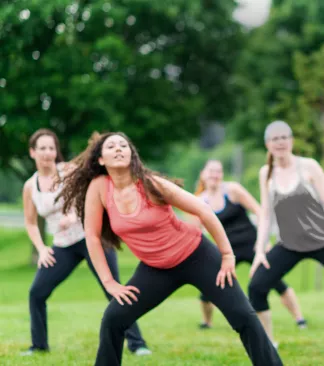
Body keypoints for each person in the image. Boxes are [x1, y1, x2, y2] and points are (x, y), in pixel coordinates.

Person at [57, 132, 282, 366]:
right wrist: (109, 282)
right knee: (114, 318)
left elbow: (203, 211)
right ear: (101, 159)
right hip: (156, 269)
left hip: (197, 256)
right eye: (111, 146)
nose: (118, 148)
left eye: (124, 145)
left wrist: (227, 255)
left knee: (243, 316)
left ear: (131, 154)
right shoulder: (100, 187)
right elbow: (92, 237)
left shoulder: (152, 184)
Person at [20, 129, 150, 357]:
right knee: (37, 293)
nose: (48, 153)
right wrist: (41, 249)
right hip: (63, 246)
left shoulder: (68, 170)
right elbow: (31, 223)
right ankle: (39, 346)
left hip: (91, 237)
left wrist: (74, 215)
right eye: (42, 148)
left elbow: (91, 191)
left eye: (52, 148)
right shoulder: (30, 186)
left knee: (114, 289)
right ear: (32, 152)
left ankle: (137, 344)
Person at [247, 120, 324, 347]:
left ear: (291, 140)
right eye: (275, 138)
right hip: (288, 245)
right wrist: (259, 251)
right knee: (257, 286)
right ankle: (267, 342)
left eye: (284, 137)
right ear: (267, 144)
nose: (280, 142)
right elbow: (265, 215)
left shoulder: (309, 167)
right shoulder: (266, 173)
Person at [192, 159, 306, 330]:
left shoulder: (232, 190)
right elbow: (197, 231)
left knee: (276, 282)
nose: (214, 175)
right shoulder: (199, 200)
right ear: (203, 174)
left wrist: (264, 241)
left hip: (252, 245)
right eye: (211, 171)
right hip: (227, 251)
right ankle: (206, 322)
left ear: (222, 175)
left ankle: (300, 319)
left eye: (218, 171)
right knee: (210, 284)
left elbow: (260, 211)